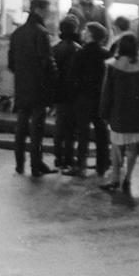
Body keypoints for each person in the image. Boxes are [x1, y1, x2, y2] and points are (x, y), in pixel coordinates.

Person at [99, 32, 139, 199]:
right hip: (137, 114)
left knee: (116, 146)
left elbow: (106, 92)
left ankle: (115, 177)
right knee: (133, 147)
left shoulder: (113, 66)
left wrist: (104, 112)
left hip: (118, 112)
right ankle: (128, 177)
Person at [7, 0, 55, 176]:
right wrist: (51, 82)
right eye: (47, 9)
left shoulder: (17, 33)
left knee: (21, 125)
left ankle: (19, 164)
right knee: (37, 128)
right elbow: (46, 62)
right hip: (38, 86)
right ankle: (36, 164)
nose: (49, 13)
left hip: (21, 85)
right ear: (39, 10)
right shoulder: (41, 33)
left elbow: (11, 62)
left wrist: (22, 74)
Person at [70, 21, 110, 178]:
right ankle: (102, 164)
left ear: (91, 35)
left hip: (83, 98)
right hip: (100, 97)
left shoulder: (81, 53)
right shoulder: (106, 54)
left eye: (86, 31)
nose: (82, 33)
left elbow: (73, 76)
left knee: (83, 132)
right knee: (101, 132)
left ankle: (81, 165)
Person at [51, 14, 82, 174]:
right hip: (73, 93)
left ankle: (58, 157)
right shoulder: (78, 49)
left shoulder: (55, 49)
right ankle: (68, 158)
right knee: (71, 128)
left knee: (60, 125)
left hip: (59, 91)